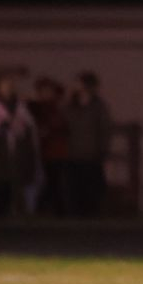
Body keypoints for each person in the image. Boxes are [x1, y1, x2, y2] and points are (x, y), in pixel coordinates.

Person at [0, 74, 41, 217]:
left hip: (18, 151)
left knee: (15, 183)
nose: (8, 88)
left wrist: (19, 128)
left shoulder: (20, 105)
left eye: (10, 85)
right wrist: (6, 125)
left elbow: (29, 124)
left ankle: (15, 212)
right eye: (5, 85)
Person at [65, 72, 111, 215]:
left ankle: (91, 213)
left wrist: (103, 150)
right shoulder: (71, 106)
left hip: (92, 154)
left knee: (92, 187)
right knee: (75, 187)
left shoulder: (98, 107)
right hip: (73, 154)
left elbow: (104, 129)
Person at [29, 77, 71, 215]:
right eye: (42, 91)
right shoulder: (37, 108)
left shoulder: (58, 108)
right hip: (44, 151)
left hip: (55, 151)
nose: (45, 94)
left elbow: (61, 125)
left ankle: (54, 210)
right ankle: (50, 209)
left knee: (54, 181)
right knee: (49, 181)